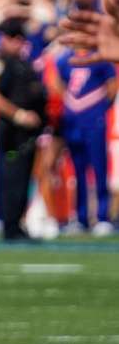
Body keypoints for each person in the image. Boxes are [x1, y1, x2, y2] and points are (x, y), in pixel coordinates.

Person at [0, 18, 47, 242]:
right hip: (12, 133)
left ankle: (17, 224)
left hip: (28, 134)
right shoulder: (2, 64)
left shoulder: (25, 64)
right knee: (12, 179)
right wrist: (19, 115)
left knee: (23, 179)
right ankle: (10, 226)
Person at [49, 45, 116, 235]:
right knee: (77, 171)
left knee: (99, 169)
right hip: (72, 122)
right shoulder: (66, 58)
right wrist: (69, 103)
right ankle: (81, 217)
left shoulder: (100, 57)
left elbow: (112, 85)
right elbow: (56, 82)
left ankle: (103, 217)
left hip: (93, 120)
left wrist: (98, 107)